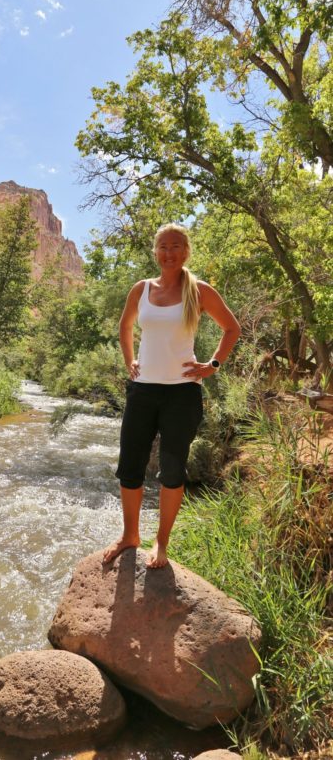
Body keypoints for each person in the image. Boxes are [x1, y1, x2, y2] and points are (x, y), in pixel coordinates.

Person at [103, 223, 241, 569]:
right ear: (155, 252)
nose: (169, 252)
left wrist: (212, 365)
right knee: (129, 468)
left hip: (182, 394)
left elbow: (232, 328)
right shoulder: (141, 289)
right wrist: (129, 360)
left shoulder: (200, 291)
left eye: (176, 246)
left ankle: (161, 544)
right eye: (163, 246)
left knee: (172, 470)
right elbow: (125, 326)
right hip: (143, 390)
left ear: (186, 251)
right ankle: (130, 535)